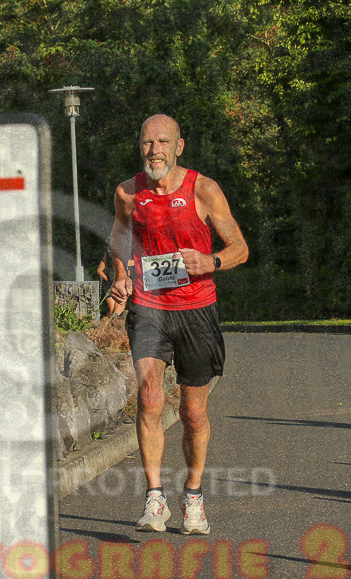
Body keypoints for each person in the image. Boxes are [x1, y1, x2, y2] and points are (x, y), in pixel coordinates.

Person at [108, 114, 249, 534]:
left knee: (192, 412)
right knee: (150, 398)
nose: (155, 150)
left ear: (179, 146)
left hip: (196, 309)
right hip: (149, 308)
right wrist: (120, 274)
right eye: (148, 143)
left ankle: (193, 497)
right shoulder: (128, 193)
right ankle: (154, 498)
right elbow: (119, 238)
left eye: (163, 142)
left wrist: (211, 261)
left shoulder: (203, 191)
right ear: (140, 147)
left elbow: (240, 247)